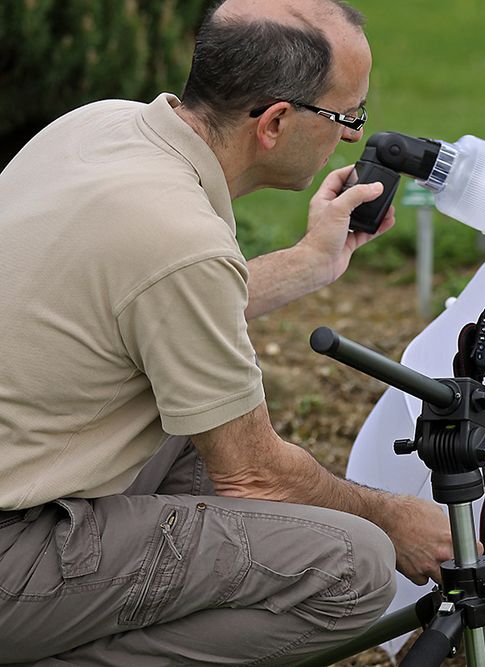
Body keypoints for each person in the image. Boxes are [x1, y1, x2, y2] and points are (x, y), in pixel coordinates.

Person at [0, 0, 455, 664]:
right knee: (354, 566)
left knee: (195, 412)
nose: (355, 139)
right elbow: (255, 474)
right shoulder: (182, 240)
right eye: (347, 117)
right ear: (274, 122)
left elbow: (160, 299)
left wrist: (310, 261)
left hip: (24, 471)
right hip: (16, 551)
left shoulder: (99, 127)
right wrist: (393, 517)